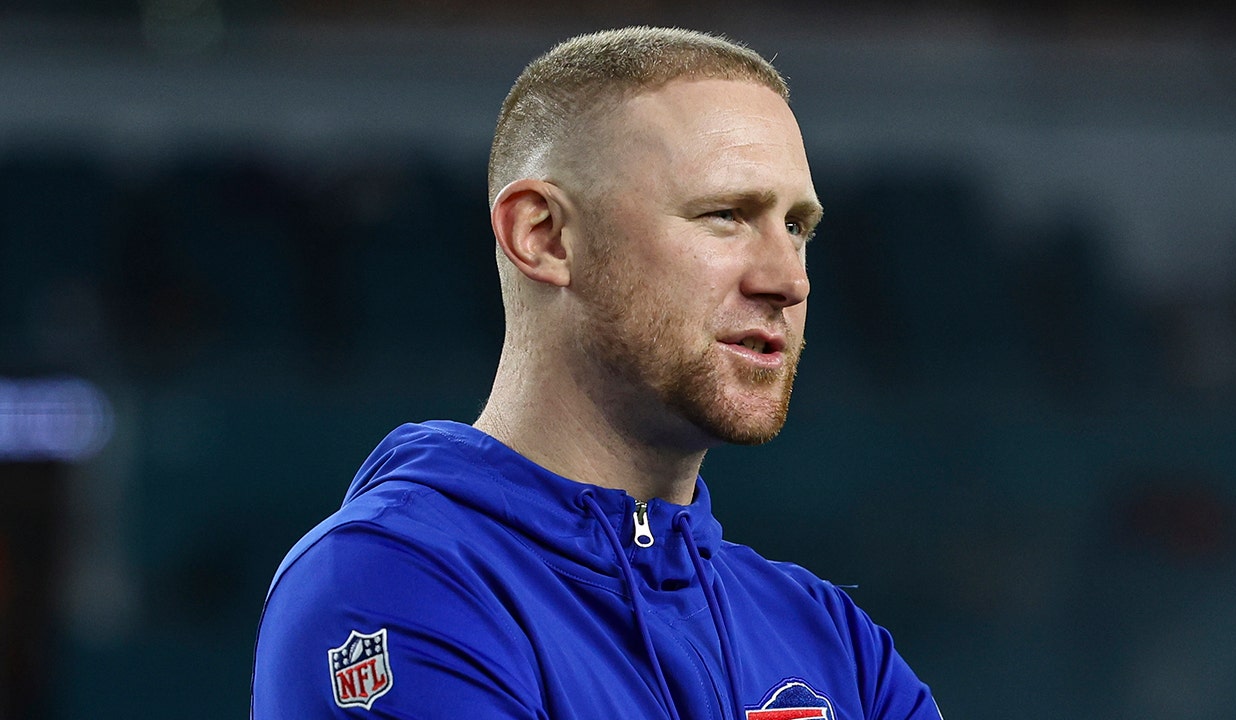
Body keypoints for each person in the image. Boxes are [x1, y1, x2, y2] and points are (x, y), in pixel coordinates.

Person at [252, 26, 943, 719]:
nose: (789, 281)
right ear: (544, 237)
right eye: (726, 215)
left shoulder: (828, 637)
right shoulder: (391, 582)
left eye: (796, 227)